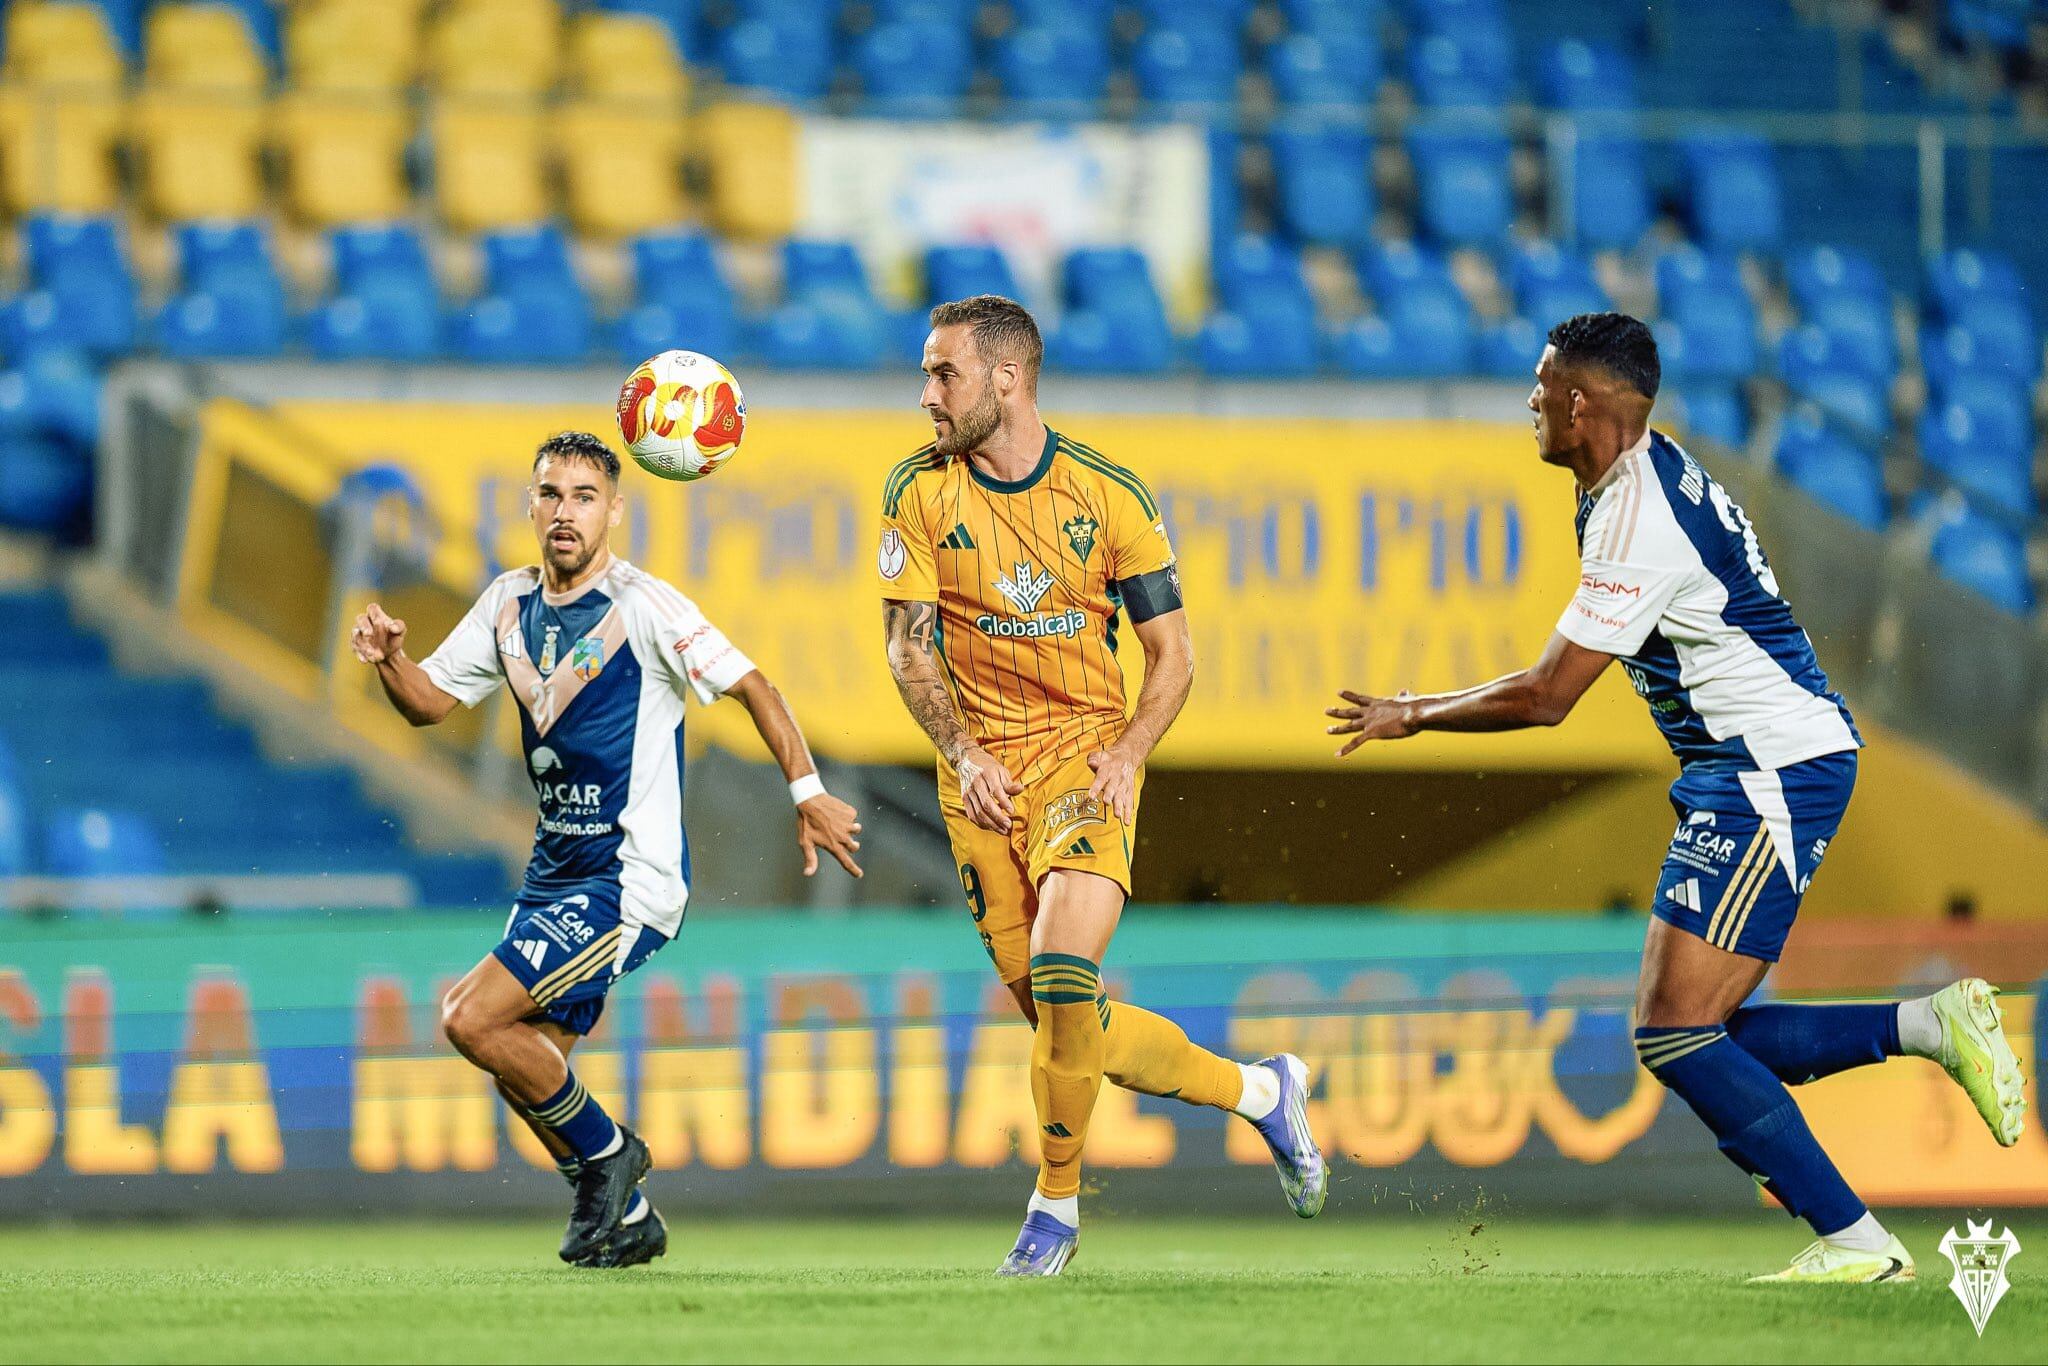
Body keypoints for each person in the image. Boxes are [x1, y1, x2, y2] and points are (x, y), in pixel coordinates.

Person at [1322, 312, 2026, 1284]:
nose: (1527, 401)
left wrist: (1415, 711)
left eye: (1539, 385)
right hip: (1750, 768)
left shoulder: (1635, 518)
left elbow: (1548, 696)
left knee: (1671, 1028)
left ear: (1579, 402)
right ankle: (1926, 1028)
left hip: (1769, 770)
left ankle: (1857, 1241)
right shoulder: (1629, 480)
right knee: (1700, 1031)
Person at [879, 295, 1326, 1278]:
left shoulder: (1108, 495)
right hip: (978, 780)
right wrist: (961, 753)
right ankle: (1263, 1093)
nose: (924, 395)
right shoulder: (918, 491)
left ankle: (1054, 1212)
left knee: (1064, 977)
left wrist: (1126, 754)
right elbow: (907, 649)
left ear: (1005, 379)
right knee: (1064, 1019)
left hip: (1082, 761)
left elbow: (1172, 657)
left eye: (941, 373)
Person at [352, 429, 862, 1269]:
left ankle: (610, 1157)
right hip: (554, 873)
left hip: (630, 879)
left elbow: (754, 686)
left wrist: (807, 794)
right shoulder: (507, 604)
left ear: (615, 512)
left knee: (468, 1017)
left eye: (585, 498)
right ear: (530, 504)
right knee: (531, 1063)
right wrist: (391, 660)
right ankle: (631, 1218)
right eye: (551, 494)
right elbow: (430, 704)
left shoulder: (647, 607)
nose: (565, 513)